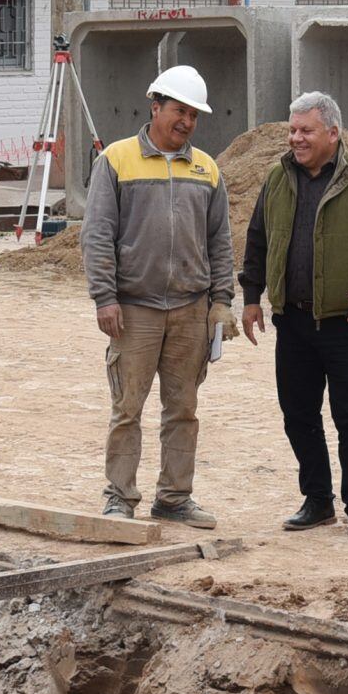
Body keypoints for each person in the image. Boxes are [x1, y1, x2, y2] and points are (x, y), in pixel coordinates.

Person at [241, 92, 348, 544]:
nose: (296, 138)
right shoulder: (276, 179)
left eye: (305, 130)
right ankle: (317, 501)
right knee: (298, 415)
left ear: (333, 133)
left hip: (345, 323)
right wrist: (252, 296)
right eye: (292, 130)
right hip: (291, 322)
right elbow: (256, 240)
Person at [82, 64, 232, 528]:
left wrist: (221, 302)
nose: (185, 122)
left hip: (190, 310)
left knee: (183, 409)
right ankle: (119, 498)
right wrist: (104, 297)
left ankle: (174, 497)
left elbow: (220, 241)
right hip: (134, 310)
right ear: (156, 107)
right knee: (128, 408)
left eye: (193, 114)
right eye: (178, 111)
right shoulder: (116, 160)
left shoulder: (207, 169)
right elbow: (97, 234)